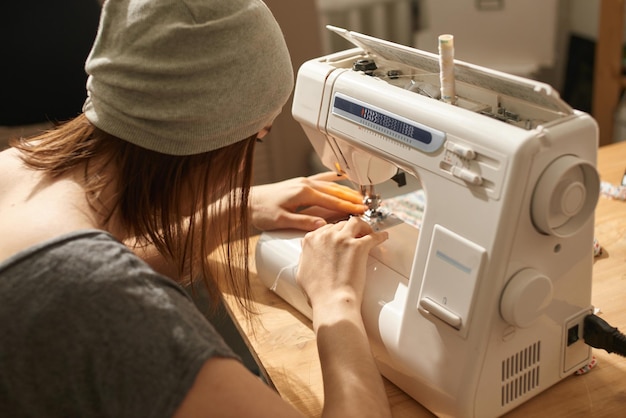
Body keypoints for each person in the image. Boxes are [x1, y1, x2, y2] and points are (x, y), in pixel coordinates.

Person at [0, 0, 392, 417]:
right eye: (255, 138)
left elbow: (56, 279)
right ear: (206, 145)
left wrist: (234, 210)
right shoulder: (96, 300)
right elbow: (91, 289)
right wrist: (337, 301)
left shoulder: (15, 171)